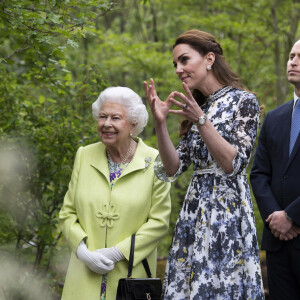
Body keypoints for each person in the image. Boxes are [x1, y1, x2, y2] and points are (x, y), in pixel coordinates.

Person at [144, 30, 265, 299]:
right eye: (175, 64)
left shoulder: (243, 102)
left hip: (227, 216)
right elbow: (172, 169)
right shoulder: (198, 107)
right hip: (194, 211)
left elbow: (232, 163)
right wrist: (160, 123)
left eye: (184, 60)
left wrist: (201, 120)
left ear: (209, 58)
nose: (178, 69)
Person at [59, 86, 171, 300]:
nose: (106, 124)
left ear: (133, 125)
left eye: (115, 118)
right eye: (102, 117)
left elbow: (159, 222)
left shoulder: (156, 161)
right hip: (84, 274)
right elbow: (67, 213)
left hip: (129, 279)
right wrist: (83, 252)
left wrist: (117, 252)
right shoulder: (84, 155)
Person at [250, 40, 300, 299]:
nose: (293, 61)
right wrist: (275, 217)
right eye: (291, 55)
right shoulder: (274, 117)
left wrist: (292, 215)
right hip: (278, 242)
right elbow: (258, 174)